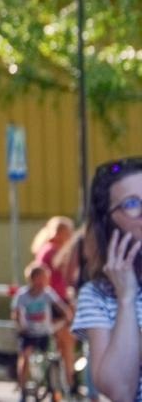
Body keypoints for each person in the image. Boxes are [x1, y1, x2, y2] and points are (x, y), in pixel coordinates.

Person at [72, 157, 142, 402]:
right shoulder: (97, 295)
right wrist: (126, 299)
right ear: (109, 221)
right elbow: (120, 392)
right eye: (132, 203)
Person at [32, 215, 80, 388]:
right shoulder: (53, 250)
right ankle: (70, 381)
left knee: (63, 342)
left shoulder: (43, 248)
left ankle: (59, 384)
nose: (71, 236)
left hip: (50, 303)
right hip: (56, 303)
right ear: (60, 233)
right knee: (68, 342)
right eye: (69, 232)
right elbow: (66, 272)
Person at [14, 262, 69, 393]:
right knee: (25, 356)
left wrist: (65, 317)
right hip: (29, 333)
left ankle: (54, 388)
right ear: (32, 279)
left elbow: (61, 307)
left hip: (44, 332)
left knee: (52, 358)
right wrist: (20, 326)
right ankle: (22, 387)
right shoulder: (22, 295)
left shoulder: (47, 293)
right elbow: (15, 313)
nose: (42, 282)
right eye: (40, 278)